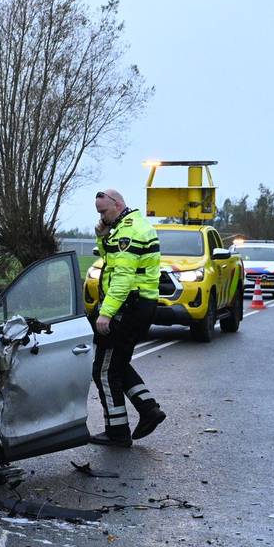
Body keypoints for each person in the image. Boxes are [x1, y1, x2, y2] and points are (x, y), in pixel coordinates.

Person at [90, 189, 167, 447]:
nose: (102, 217)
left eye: (103, 211)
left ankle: (117, 431)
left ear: (117, 203)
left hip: (128, 306)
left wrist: (106, 312)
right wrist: (102, 237)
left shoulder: (127, 231)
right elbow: (110, 260)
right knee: (118, 364)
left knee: (103, 370)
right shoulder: (128, 226)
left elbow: (122, 278)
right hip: (139, 305)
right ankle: (148, 409)